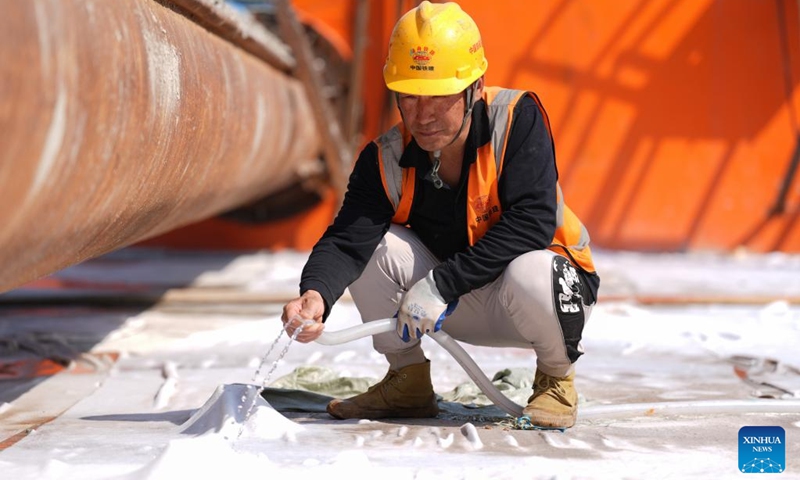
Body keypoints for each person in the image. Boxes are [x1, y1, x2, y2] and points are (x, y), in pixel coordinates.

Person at [281, 0, 599, 429]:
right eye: (408, 97)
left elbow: (532, 223)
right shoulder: (385, 158)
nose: (423, 115)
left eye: (439, 98)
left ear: (474, 87)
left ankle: (556, 382)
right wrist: (315, 294)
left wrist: (439, 284)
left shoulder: (516, 119)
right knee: (375, 247)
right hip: (447, 306)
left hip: (541, 301)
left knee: (533, 268)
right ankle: (407, 381)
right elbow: (347, 240)